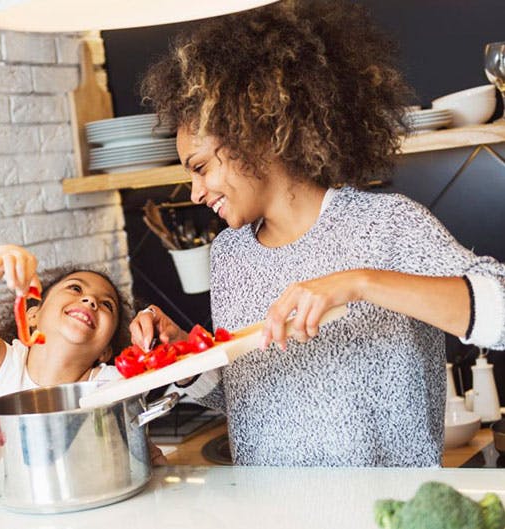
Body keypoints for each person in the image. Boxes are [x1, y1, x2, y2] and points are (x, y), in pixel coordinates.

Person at [130, 0, 505, 466]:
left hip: (387, 511)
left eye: (202, 168)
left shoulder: (386, 224)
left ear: (257, 136)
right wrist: (183, 358)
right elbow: (250, 398)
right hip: (272, 509)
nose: (197, 191)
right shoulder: (230, 254)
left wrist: (357, 282)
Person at [0, 244, 129, 401]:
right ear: (32, 316)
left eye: (107, 305)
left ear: (106, 351)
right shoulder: (6, 368)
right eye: (75, 288)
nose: (90, 300)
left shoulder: (113, 382)